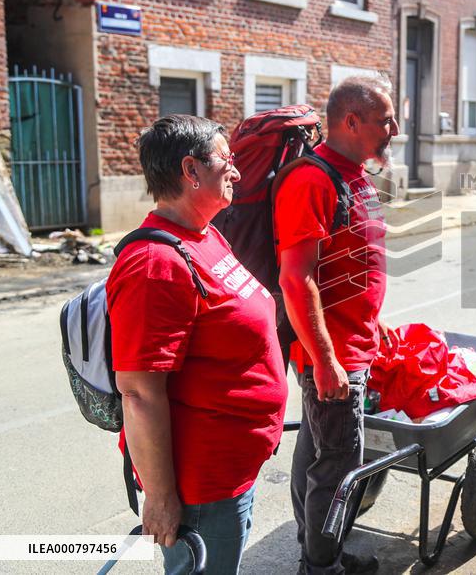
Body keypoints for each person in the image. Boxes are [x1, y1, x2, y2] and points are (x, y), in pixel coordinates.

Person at [108, 115, 288, 574]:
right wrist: (163, 499)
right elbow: (139, 392)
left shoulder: (206, 236)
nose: (238, 171)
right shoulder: (155, 264)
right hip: (201, 490)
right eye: (228, 160)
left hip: (230, 473)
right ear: (191, 172)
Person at [276, 75, 399, 575]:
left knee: (318, 457)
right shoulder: (312, 181)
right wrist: (326, 361)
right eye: (385, 119)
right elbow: (295, 277)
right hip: (333, 356)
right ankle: (320, 567)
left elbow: (354, 264)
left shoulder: (356, 176)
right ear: (352, 121)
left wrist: (374, 319)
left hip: (352, 345)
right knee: (337, 469)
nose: (394, 127)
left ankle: (319, 551)